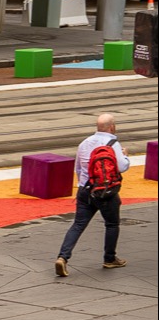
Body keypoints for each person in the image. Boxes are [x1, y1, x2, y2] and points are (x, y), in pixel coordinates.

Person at [54, 114, 131, 277]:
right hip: (106, 192)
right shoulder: (113, 143)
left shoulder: (85, 143)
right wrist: (124, 155)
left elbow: (78, 169)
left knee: (78, 225)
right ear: (112, 127)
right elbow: (122, 167)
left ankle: (63, 257)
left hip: (85, 190)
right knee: (111, 224)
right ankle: (109, 259)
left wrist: (84, 185)